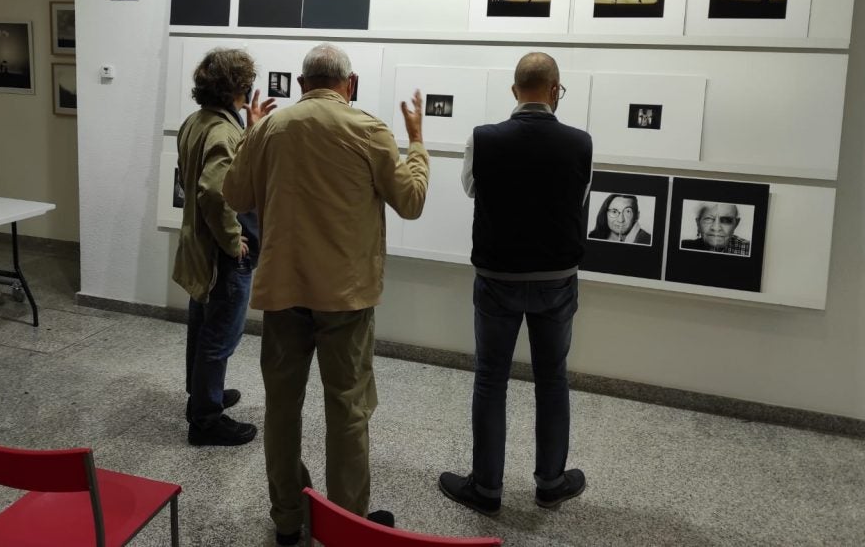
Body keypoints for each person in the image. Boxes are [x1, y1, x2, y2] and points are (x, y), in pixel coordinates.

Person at [223, 43, 430, 546]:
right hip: (346, 297)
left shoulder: (271, 128)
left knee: (281, 406)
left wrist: (251, 135)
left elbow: (234, 195)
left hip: (284, 291)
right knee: (348, 410)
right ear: (350, 84)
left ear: (300, 85)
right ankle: (346, 525)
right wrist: (418, 142)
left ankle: (289, 517)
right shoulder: (370, 129)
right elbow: (411, 201)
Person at [439, 52, 593, 516]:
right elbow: (579, 196)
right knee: (552, 381)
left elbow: (470, 187)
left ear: (514, 91)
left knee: (491, 381)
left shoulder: (483, 139)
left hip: (497, 277)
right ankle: (550, 482)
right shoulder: (580, 143)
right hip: (556, 280)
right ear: (554, 90)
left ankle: (486, 488)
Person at [172, 48, 275, 447]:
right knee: (220, 335)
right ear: (240, 86)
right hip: (224, 254)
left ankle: (200, 396)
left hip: (201, 247)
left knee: (202, 325)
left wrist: (248, 130)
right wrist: (234, 242)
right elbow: (214, 192)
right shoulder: (221, 131)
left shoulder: (196, 122)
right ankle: (206, 419)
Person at [680, 203, 750, 255]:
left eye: (726, 220)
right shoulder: (683, 246)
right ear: (698, 223)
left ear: (736, 224)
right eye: (708, 219)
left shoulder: (748, 249)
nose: (716, 228)